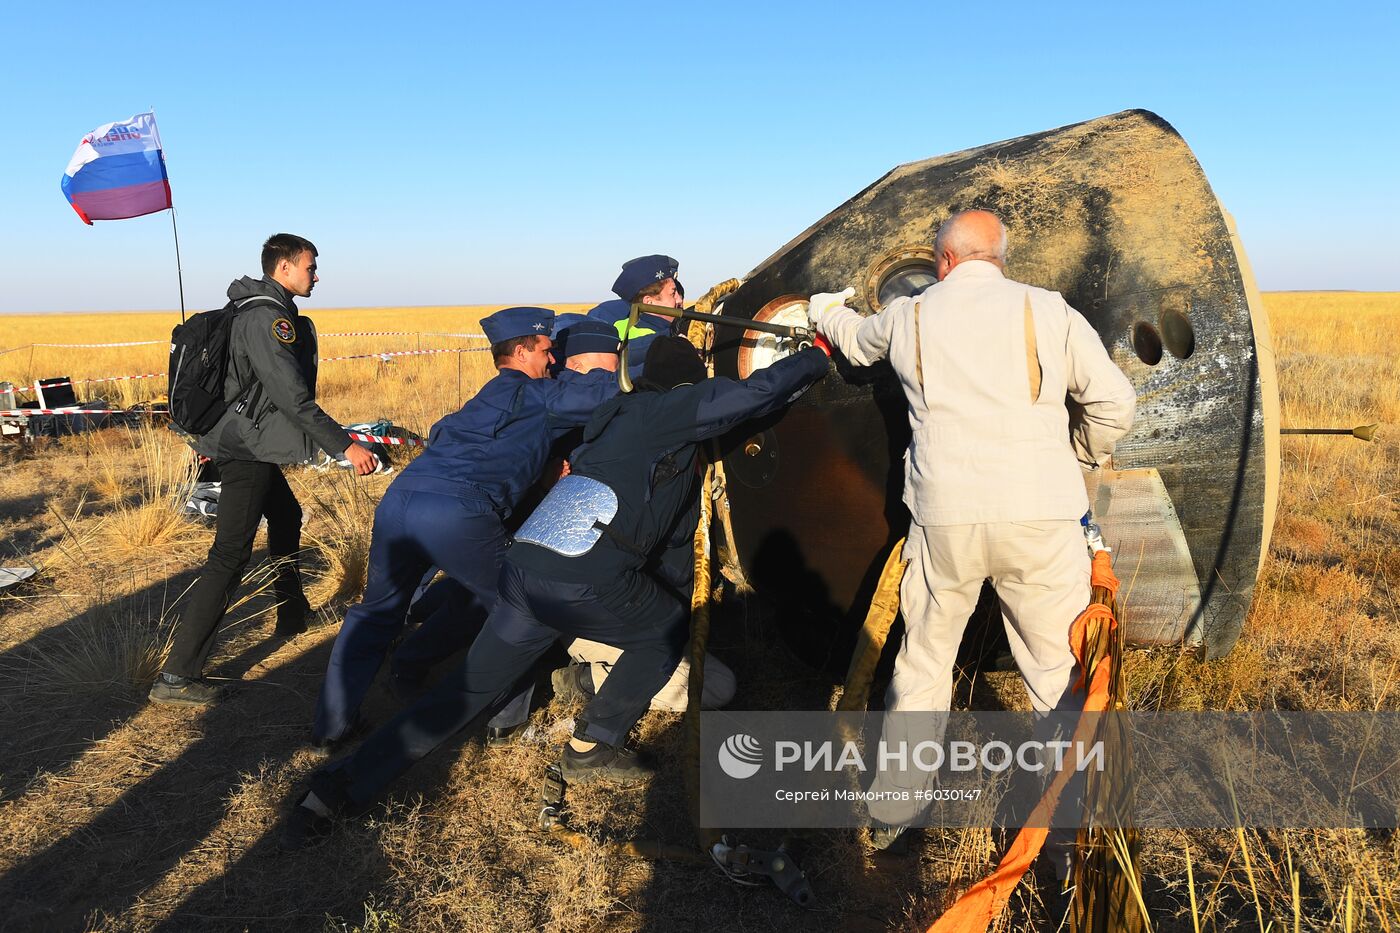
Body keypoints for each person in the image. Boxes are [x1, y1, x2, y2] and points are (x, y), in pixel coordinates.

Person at [282, 336, 829, 842]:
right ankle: (593, 744)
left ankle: (333, 791)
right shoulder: (666, 412)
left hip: (525, 570)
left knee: (461, 694)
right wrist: (816, 354)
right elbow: (757, 393)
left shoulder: (612, 420)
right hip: (584, 577)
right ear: (687, 387)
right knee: (662, 627)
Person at [808, 209, 1136, 845]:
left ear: (944, 261)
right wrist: (1079, 453)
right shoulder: (1051, 310)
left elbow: (854, 342)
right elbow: (1114, 403)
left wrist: (824, 310)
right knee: (1054, 672)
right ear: (1000, 258)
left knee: (925, 662)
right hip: (1042, 517)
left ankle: (896, 816)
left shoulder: (912, 314)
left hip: (944, 517)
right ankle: (1069, 836)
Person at [310, 307, 617, 750]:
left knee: (375, 613)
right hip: (456, 513)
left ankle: (330, 726)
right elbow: (609, 395)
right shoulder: (541, 395)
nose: (553, 360)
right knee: (521, 608)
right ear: (522, 351)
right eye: (548, 351)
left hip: (401, 499)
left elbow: (440, 432)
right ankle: (505, 721)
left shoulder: (485, 395)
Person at [150, 234, 377, 708]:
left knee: (287, 515)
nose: (317, 275)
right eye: (311, 266)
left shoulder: (263, 310)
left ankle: (291, 612)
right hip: (247, 450)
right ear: (284, 268)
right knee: (229, 556)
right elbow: (291, 397)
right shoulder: (265, 318)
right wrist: (345, 446)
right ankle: (177, 675)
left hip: (246, 442)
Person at [586, 254, 686, 379]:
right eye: (673, 294)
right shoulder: (627, 331)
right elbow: (632, 352)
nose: (679, 300)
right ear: (649, 302)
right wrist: (677, 334)